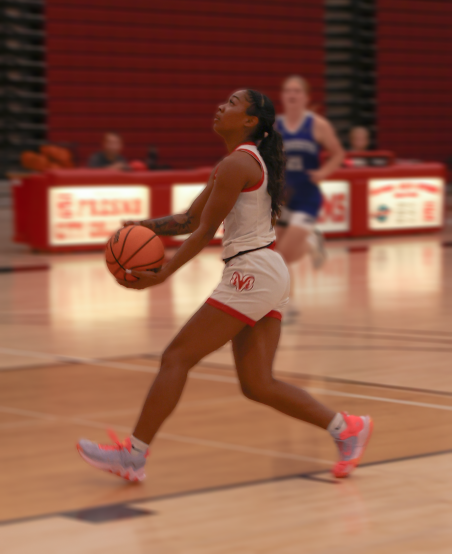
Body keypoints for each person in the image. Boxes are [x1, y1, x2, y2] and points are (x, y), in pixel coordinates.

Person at [77, 89, 372, 482]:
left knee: (176, 357)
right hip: (266, 270)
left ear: (250, 121)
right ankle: (346, 428)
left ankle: (133, 456)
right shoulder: (234, 164)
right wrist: (140, 228)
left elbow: (201, 233)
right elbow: (186, 220)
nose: (221, 106)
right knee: (257, 384)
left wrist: (164, 273)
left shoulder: (237, 164)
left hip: (251, 272)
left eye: (233, 103)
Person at [275, 76, 345, 271]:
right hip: (284, 198)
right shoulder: (275, 126)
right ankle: (312, 244)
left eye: (297, 91)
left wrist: (323, 172)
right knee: (276, 253)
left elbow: (338, 153)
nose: (292, 94)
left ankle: (287, 301)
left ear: (306, 97)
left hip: (307, 198)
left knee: (283, 255)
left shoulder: (317, 125)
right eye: (288, 90)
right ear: (282, 96)